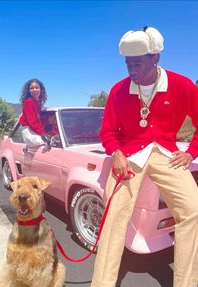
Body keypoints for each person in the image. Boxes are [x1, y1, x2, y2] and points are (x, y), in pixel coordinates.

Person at [91, 26, 198, 287]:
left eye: (137, 64)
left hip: (166, 154)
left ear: (155, 59)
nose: (131, 71)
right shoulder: (118, 90)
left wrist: (192, 151)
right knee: (113, 215)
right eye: (128, 64)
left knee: (193, 211)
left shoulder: (181, 85)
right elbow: (107, 132)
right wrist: (115, 152)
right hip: (128, 157)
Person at [19, 78, 51, 150]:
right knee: (50, 141)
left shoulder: (38, 103)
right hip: (28, 131)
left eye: (37, 87)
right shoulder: (28, 102)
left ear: (40, 89)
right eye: (32, 88)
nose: (34, 90)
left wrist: (49, 120)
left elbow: (39, 120)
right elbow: (32, 122)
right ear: (29, 91)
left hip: (35, 131)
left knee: (53, 140)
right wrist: (43, 133)